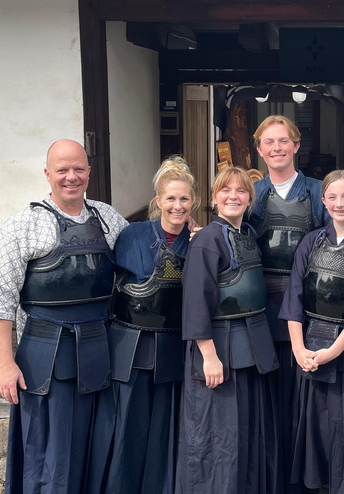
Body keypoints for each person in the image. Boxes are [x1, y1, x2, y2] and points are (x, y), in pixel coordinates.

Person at [0, 139, 129, 494]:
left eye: (78, 169)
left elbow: (142, 251)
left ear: (89, 172)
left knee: (95, 443)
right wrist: (4, 364)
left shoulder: (108, 219)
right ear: (47, 174)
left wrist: (190, 235)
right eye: (62, 170)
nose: (71, 177)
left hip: (99, 349)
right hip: (44, 355)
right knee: (49, 451)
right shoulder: (22, 225)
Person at [85, 156, 198, 494]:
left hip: (172, 348)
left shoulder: (199, 241)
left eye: (184, 199)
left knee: (165, 426)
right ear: (158, 201)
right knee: (124, 425)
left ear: (193, 202)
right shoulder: (132, 235)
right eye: (170, 199)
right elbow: (106, 285)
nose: (177, 206)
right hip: (128, 345)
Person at [280, 170, 344, 494]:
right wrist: (299, 350)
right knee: (309, 428)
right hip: (309, 348)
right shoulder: (311, 242)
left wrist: (332, 352)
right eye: (333, 197)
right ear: (323, 201)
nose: (340, 204)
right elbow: (294, 297)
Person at [176, 167, 279, 494]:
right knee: (217, 437)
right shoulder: (207, 240)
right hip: (219, 349)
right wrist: (209, 356)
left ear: (250, 198)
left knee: (245, 433)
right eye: (225, 190)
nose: (233, 196)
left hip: (250, 345)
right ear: (214, 197)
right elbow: (195, 301)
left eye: (241, 191)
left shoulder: (246, 233)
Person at [248, 115, 331, 493]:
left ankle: (304, 476)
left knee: (302, 393)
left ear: (297, 146)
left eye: (284, 141)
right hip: (259, 302)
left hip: (306, 302)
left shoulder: (317, 190)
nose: (277, 148)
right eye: (269, 142)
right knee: (266, 390)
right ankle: (269, 474)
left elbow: (340, 232)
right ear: (259, 148)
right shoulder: (252, 193)